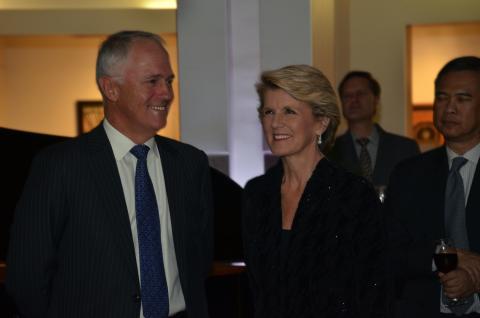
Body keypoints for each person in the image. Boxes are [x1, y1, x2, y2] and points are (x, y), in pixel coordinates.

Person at [6, 31, 213, 318]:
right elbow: (27, 276)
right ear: (110, 89)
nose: (166, 93)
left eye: (168, 81)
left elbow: (199, 261)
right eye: (152, 81)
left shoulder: (190, 165)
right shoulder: (60, 166)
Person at [242, 64, 387, 317]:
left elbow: (373, 294)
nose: (276, 123)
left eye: (289, 111)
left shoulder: (352, 194)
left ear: (321, 122)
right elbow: (254, 292)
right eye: (268, 111)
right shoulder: (256, 193)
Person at [385, 56, 480, 317]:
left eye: (463, 99)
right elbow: (389, 251)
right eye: (441, 97)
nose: (449, 108)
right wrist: (449, 257)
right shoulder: (408, 174)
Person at [328, 71, 420, 190]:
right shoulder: (330, 151)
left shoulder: (405, 148)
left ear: (376, 100)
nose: (354, 100)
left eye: (360, 94)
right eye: (347, 96)